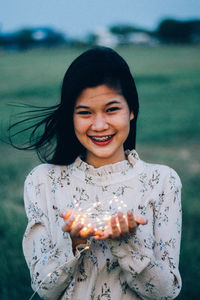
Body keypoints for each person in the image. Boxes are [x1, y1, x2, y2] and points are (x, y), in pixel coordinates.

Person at [19, 47, 182, 299]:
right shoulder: (43, 181)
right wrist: (74, 243)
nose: (99, 125)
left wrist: (127, 244)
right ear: (71, 117)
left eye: (111, 109)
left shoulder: (162, 181)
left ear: (132, 110)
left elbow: (165, 292)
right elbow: (44, 289)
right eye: (85, 112)